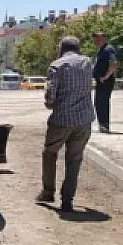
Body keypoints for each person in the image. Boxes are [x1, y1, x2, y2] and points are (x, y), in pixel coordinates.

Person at [38, 35, 95, 212]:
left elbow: (50, 97)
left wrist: (50, 104)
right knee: (74, 159)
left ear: (61, 48)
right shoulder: (88, 63)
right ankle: (67, 200)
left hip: (62, 119)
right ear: (78, 48)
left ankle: (48, 192)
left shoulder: (57, 66)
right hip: (84, 120)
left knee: (50, 153)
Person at [92, 31, 118, 133]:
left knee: (102, 102)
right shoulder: (101, 50)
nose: (97, 40)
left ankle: (104, 125)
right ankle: (102, 125)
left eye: (99, 38)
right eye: (95, 38)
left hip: (105, 81)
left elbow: (113, 63)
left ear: (104, 38)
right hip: (100, 81)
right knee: (98, 102)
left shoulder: (108, 49)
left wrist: (106, 76)